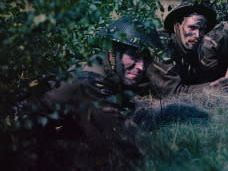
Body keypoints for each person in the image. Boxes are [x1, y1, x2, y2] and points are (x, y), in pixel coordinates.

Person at [21, 17, 161, 169]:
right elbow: (118, 139)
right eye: (133, 55)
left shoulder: (106, 68)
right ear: (114, 53)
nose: (140, 66)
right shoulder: (91, 82)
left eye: (144, 58)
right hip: (20, 142)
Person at [145, 0, 217, 95]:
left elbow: (199, 79)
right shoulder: (162, 47)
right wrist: (216, 86)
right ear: (176, 27)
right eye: (192, 27)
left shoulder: (190, 47)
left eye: (202, 29)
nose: (197, 35)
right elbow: (173, 93)